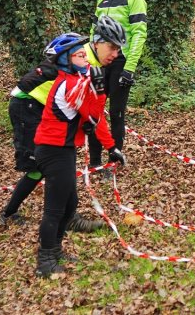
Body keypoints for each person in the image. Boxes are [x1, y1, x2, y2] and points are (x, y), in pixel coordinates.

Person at [0, 20, 124, 230]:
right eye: (112, 47)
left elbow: (90, 110)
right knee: (44, 166)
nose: (115, 54)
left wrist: (109, 145)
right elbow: (94, 112)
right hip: (28, 105)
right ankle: (19, 214)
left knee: (60, 160)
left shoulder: (91, 62)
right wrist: (110, 146)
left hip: (50, 109)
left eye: (118, 49)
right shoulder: (82, 60)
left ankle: (64, 216)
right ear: (97, 42)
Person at [33, 33, 127, 277]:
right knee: (54, 209)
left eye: (85, 54)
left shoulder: (77, 79)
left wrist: (111, 147)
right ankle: (45, 262)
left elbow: (96, 121)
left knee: (70, 204)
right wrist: (101, 92)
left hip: (63, 149)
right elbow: (92, 117)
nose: (86, 58)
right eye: (80, 55)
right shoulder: (69, 84)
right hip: (54, 150)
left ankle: (55, 249)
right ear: (65, 59)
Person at [88, 0, 147, 170]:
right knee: (94, 111)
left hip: (122, 62)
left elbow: (140, 34)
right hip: (100, 63)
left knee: (116, 114)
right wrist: (90, 62)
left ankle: (113, 163)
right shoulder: (102, 0)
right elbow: (93, 33)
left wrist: (130, 68)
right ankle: (94, 162)